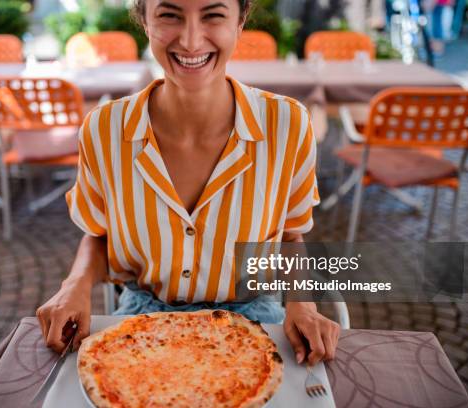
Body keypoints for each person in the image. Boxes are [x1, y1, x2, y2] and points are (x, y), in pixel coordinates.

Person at [36, 0, 340, 367]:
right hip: (140, 320)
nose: (192, 41)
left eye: (212, 15)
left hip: (257, 320)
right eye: (169, 15)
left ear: (240, 21)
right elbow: (98, 234)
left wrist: (301, 302)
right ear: (145, 21)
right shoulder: (104, 130)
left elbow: (291, 236)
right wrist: (75, 286)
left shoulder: (288, 125)